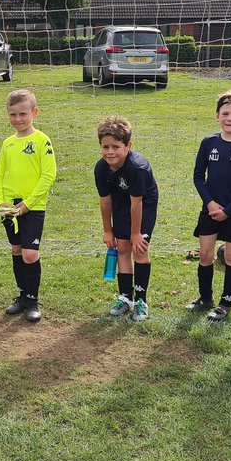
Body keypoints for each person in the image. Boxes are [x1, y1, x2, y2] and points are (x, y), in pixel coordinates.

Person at [187, 90, 231, 323]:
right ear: (217, 116)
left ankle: (225, 303)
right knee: (206, 254)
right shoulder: (209, 143)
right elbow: (198, 176)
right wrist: (210, 203)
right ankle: (205, 298)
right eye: (225, 113)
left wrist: (227, 210)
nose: (230, 118)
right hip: (210, 209)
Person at [0, 88, 57, 323]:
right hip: (9, 206)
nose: (18, 119)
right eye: (13, 115)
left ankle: (32, 300)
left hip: (32, 207)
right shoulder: (8, 143)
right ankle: (21, 296)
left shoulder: (42, 140)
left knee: (30, 254)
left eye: (22, 114)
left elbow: (48, 175)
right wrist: (0, 201)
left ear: (34, 113)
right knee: (17, 250)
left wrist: (28, 204)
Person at [95, 116, 159, 322]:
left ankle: (141, 300)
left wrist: (136, 233)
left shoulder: (137, 168)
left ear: (128, 146)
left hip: (143, 206)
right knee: (122, 248)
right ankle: (125, 297)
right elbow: (105, 202)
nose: (110, 152)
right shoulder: (100, 168)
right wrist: (108, 230)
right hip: (120, 203)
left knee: (139, 248)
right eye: (105, 147)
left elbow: (137, 203)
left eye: (116, 146)